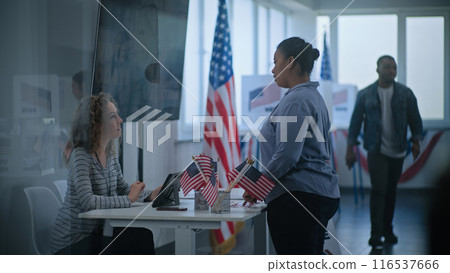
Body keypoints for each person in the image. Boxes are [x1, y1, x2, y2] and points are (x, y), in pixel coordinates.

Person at [243, 37, 340, 254]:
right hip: (313, 193)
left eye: (276, 61)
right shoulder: (312, 96)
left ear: (291, 62)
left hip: (298, 198)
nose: (273, 69)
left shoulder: (296, 101)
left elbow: (287, 155)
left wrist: (260, 184)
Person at [50, 92, 161, 254]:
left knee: (142, 235)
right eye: (112, 117)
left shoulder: (109, 154)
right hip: (72, 241)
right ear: (97, 125)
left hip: (94, 235)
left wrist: (151, 195)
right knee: (138, 241)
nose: (120, 120)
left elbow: (124, 189)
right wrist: (129, 199)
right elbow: (88, 202)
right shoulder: (81, 155)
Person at [346, 55, 423, 250]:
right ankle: (375, 234)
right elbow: (355, 122)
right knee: (378, 189)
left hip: (398, 149)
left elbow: (415, 119)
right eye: (387, 67)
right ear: (377, 69)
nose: (391, 71)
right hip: (375, 149)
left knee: (390, 191)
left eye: (394, 68)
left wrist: (416, 141)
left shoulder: (406, 93)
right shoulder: (365, 94)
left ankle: (388, 230)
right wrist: (350, 148)